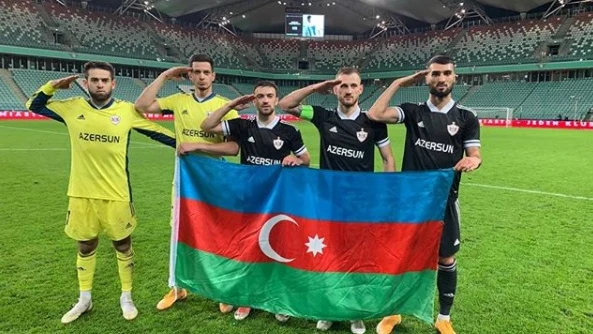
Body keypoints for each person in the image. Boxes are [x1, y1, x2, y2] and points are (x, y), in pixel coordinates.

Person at [25, 61, 176, 324]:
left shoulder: (126, 111)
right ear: (86, 83)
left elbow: (158, 133)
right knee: (85, 245)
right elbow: (34, 106)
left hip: (117, 193)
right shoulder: (72, 107)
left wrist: (192, 147)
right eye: (94, 80)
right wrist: (52, 86)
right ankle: (85, 299)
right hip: (81, 193)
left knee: (123, 243)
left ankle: (126, 297)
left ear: (113, 83)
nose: (100, 84)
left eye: (105, 80)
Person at [368, 55, 482, 334]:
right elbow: (375, 114)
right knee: (402, 256)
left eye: (446, 73)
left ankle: (443, 318)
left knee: (446, 259)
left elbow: (475, 153)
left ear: (454, 78)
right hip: (410, 202)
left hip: (444, 201)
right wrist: (398, 82)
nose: (441, 78)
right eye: (435, 74)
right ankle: (393, 313)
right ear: (426, 78)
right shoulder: (413, 111)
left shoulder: (466, 118)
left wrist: (473, 161)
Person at [278, 66, 395, 334]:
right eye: (343, 86)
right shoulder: (322, 116)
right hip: (327, 203)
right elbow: (286, 104)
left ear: (361, 89)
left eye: (353, 85)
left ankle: (354, 313)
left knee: (356, 258)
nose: (348, 90)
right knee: (327, 256)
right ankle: (328, 309)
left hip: (360, 205)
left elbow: (387, 158)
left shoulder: (373, 123)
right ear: (335, 89)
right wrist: (317, 87)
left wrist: (386, 192)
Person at [134, 54, 240, 313]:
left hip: (216, 177)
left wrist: (198, 145)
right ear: (190, 76)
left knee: (218, 232)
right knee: (179, 231)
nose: (202, 76)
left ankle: (221, 289)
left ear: (214, 76)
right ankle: (177, 287)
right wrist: (165, 75)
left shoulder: (226, 106)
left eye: (206, 72)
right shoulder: (178, 100)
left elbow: (234, 147)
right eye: (196, 72)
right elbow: (141, 105)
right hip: (185, 177)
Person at [198, 80, 310, 322]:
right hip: (248, 200)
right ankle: (247, 299)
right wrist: (233, 104)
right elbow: (207, 125)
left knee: (277, 250)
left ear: (277, 100)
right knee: (248, 249)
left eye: (270, 95)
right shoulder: (242, 126)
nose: (266, 100)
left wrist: (295, 160)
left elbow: (307, 160)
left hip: (278, 200)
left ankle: (278, 299)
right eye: (260, 96)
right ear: (255, 100)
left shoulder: (289, 131)